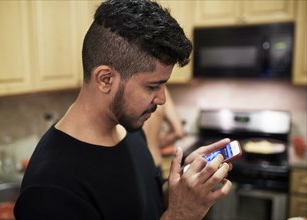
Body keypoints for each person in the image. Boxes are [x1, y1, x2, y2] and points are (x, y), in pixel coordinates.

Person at [14, 0, 232, 219]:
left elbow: (146, 206)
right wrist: (181, 215)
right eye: (152, 86)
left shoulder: (130, 130)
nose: (162, 99)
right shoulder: (51, 188)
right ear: (105, 79)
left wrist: (180, 190)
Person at [143, 87, 184, 174]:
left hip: (136, 165)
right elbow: (179, 132)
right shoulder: (162, 90)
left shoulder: (133, 89)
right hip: (156, 163)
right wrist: (155, 142)